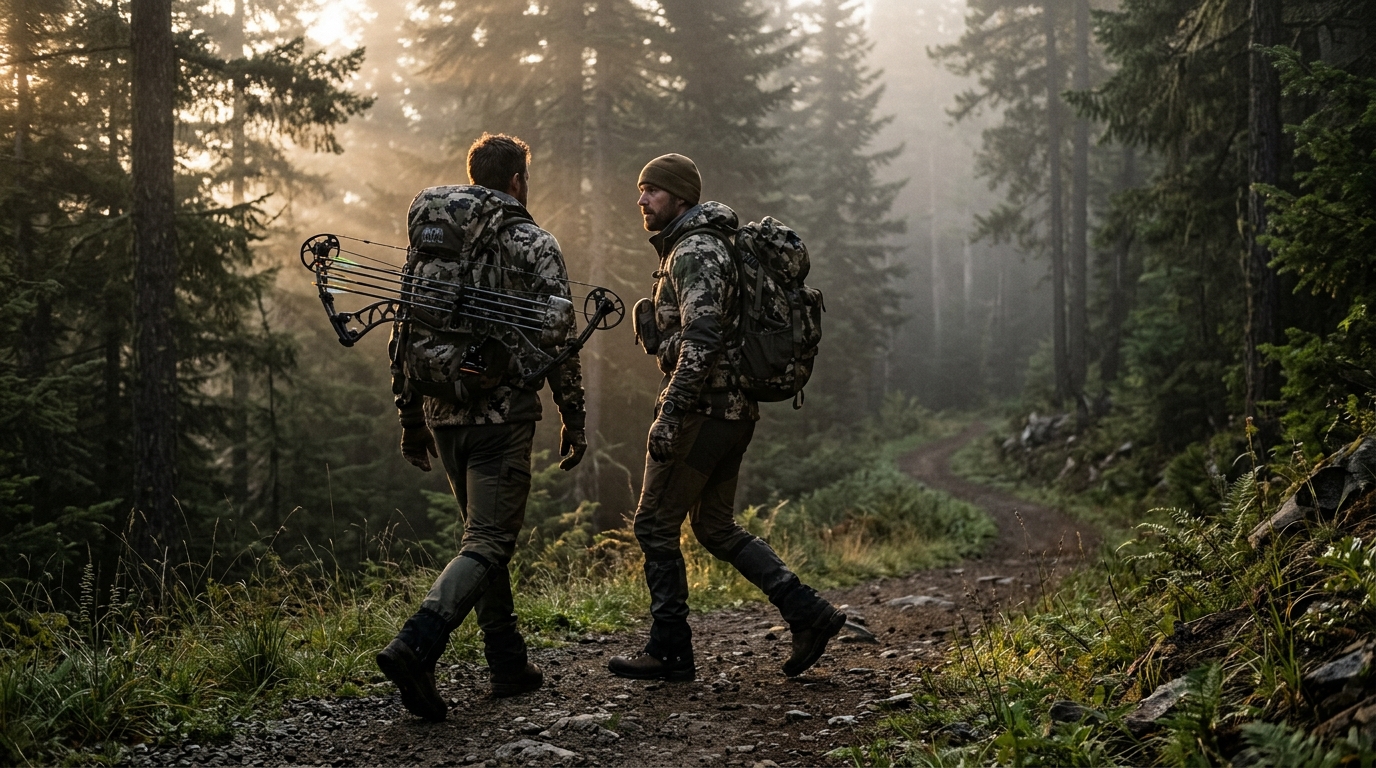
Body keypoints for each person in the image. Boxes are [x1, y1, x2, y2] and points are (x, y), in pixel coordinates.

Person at [607, 153, 845, 682]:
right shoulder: (708, 245)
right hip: (731, 412)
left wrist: (669, 413)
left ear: (682, 198)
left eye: (652, 191)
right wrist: (661, 339)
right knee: (713, 526)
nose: (641, 200)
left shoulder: (694, 250)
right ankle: (810, 614)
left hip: (704, 410)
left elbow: (703, 341)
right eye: (640, 190)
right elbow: (701, 336)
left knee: (653, 525)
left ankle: (669, 650)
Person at [376, 133, 587, 722]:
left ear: (474, 178)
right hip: (502, 415)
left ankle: (507, 662)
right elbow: (559, 340)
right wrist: (573, 416)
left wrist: (410, 417)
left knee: (480, 537)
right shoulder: (534, 243)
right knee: (489, 541)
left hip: (444, 411)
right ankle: (416, 645)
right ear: (517, 181)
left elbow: (403, 331)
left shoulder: (434, 241)